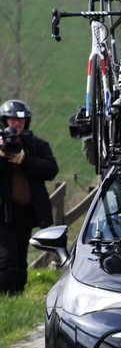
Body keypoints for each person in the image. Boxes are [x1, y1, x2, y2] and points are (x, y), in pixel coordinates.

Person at [0, 99, 59, 295]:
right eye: (12, 120)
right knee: (7, 260)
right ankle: (5, 298)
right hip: (3, 212)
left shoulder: (36, 145)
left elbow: (51, 170)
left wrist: (25, 160)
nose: (16, 125)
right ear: (4, 121)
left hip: (25, 212)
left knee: (20, 259)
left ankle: (17, 296)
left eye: (21, 121)